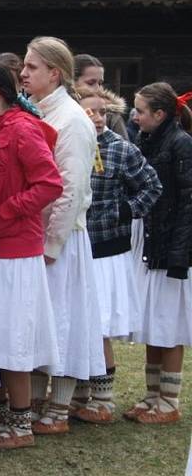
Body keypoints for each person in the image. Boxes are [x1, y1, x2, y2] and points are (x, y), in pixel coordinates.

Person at [0, 61, 63, 450]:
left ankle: (21, 425)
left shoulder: (24, 129)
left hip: (16, 249)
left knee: (15, 338)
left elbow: (50, 184)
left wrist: (5, 211)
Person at [20, 37, 106, 436]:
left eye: (32, 67)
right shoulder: (38, 111)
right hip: (35, 233)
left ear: (54, 73)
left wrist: (51, 243)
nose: (23, 73)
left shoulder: (71, 119)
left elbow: (69, 187)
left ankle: (59, 406)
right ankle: (36, 400)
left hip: (62, 237)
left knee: (64, 319)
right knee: (40, 319)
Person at [75, 87, 161, 424]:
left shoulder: (121, 149)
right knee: (80, 323)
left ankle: (104, 399)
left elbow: (152, 186)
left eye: (100, 112)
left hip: (108, 251)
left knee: (100, 326)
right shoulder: (68, 141)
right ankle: (80, 393)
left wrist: (125, 212)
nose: (95, 118)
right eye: (88, 111)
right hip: (78, 247)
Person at [126, 82, 192, 424]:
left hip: (171, 248)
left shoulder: (182, 145)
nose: (134, 116)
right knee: (152, 322)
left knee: (168, 325)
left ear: (160, 114)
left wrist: (180, 255)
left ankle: (169, 401)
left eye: (139, 110)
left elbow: (188, 203)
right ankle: (152, 395)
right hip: (150, 243)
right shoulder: (145, 140)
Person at [73, 54, 129, 139]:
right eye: (91, 83)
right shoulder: (61, 110)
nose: (97, 89)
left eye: (100, 83)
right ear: (72, 82)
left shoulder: (111, 116)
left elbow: (124, 149)